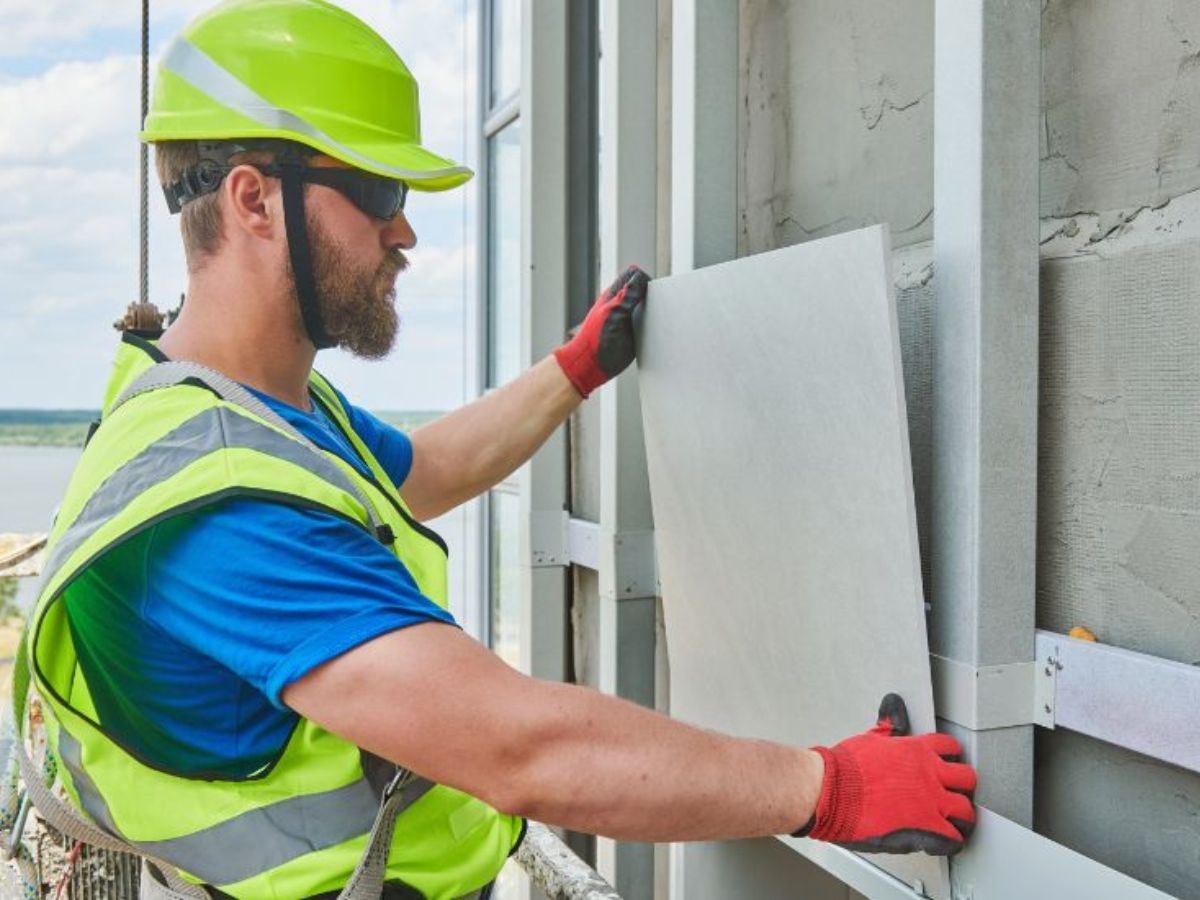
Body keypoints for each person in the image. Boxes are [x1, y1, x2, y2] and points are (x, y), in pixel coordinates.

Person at [18, 1, 977, 898]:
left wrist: (572, 370)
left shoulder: (241, 406)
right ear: (255, 202)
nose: (405, 230)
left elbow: (423, 471)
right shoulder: (227, 510)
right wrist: (829, 787)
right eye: (379, 188)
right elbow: (525, 751)